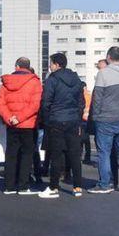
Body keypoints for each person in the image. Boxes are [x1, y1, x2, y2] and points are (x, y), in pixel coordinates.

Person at [89, 47, 119, 193]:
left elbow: (97, 98)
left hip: (106, 118)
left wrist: (96, 116)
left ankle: (105, 184)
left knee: (104, 152)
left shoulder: (103, 73)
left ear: (108, 57)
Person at [38, 52, 85, 198]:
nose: (50, 67)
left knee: (56, 155)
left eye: (51, 64)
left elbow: (46, 102)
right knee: (74, 155)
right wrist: (77, 117)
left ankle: (53, 187)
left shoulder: (52, 79)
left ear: (57, 64)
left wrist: (47, 120)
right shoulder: (76, 79)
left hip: (56, 120)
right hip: (72, 120)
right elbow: (81, 102)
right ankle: (77, 187)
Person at [0, 57, 42, 194]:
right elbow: (35, 105)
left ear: (16, 66)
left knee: (11, 154)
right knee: (27, 155)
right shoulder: (35, 81)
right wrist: (20, 118)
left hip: (12, 125)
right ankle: (23, 186)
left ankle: (9, 186)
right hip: (28, 124)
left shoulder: (6, 82)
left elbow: (0, 103)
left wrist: (10, 118)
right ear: (28, 66)